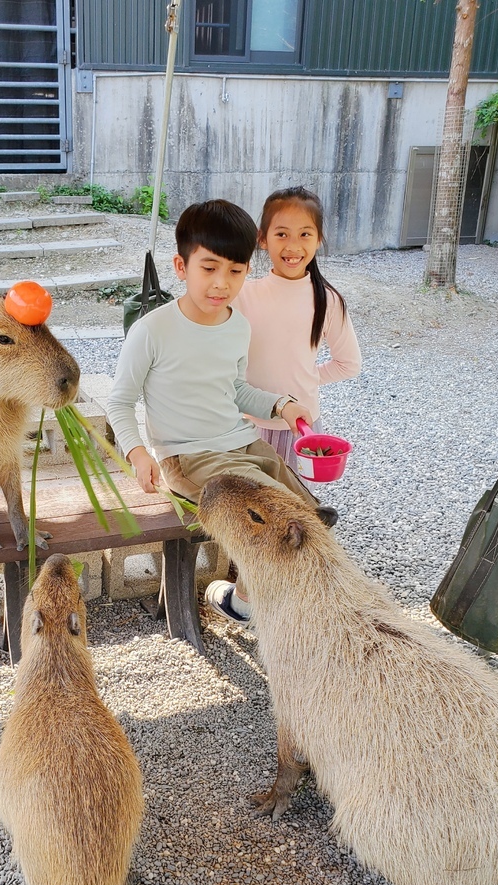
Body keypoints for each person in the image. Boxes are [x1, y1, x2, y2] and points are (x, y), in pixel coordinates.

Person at [107, 198, 333, 627]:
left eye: (236, 270)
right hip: (187, 457)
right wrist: (138, 453)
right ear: (181, 266)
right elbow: (120, 400)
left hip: (242, 442)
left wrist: (280, 404)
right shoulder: (152, 330)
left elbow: (234, 389)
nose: (221, 283)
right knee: (271, 513)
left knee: (305, 513)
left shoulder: (236, 326)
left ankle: (263, 595)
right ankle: (249, 605)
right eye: (209, 268)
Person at [232, 185, 361, 474]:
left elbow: (348, 364)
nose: (293, 246)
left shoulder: (327, 300)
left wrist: (305, 379)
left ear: (318, 240)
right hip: (246, 424)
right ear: (262, 239)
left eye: (305, 234)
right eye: (281, 234)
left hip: (300, 428)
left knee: (295, 507)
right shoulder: (241, 294)